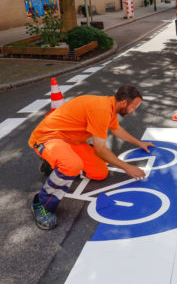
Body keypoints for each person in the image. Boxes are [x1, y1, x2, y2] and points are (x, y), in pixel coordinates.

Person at [28, 84, 155, 230]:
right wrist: (127, 167)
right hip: (48, 137)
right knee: (72, 165)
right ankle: (42, 204)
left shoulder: (110, 107)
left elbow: (117, 130)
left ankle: (52, 163)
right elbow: (100, 150)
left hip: (71, 140)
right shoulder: (101, 110)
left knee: (100, 173)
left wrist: (139, 143)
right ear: (124, 103)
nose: (133, 111)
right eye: (133, 107)